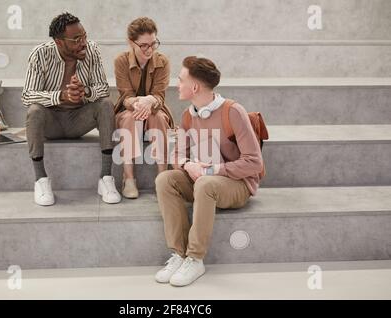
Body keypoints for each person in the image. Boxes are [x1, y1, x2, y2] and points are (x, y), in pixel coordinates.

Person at [154, 56, 264, 286]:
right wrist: (187, 164)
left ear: (194, 87)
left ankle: (195, 258)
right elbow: (176, 155)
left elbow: (254, 162)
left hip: (236, 184)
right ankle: (180, 254)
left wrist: (213, 169)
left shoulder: (232, 111)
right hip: (205, 181)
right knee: (165, 179)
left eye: (180, 79)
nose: (177, 84)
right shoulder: (187, 115)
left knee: (204, 182)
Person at [22, 12, 121, 206]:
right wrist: (61, 96)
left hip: (79, 120)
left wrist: (84, 91)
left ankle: (106, 178)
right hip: (52, 121)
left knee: (106, 105)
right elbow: (27, 95)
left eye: (84, 36)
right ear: (59, 42)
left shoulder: (92, 50)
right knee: (34, 111)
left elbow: (103, 88)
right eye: (76, 39)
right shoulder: (40, 54)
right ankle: (41, 179)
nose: (83, 42)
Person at [114, 17, 174, 199]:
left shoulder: (162, 61)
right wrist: (141, 102)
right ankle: (129, 177)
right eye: (144, 45)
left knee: (158, 118)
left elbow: (159, 95)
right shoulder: (121, 61)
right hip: (128, 109)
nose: (149, 49)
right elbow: (125, 95)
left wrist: (150, 101)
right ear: (131, 42)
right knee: (131, 118)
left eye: (153, 43)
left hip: (155, 108)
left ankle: (163, 176)